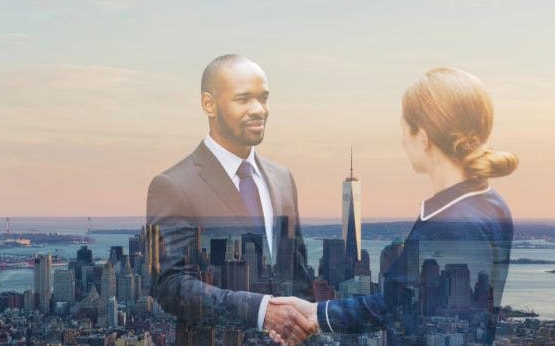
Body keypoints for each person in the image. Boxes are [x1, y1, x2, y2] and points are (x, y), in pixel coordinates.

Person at [270, 67, 518, 345]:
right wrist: (317, 314)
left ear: (424, 137)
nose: (402, 141)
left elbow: (420, 315)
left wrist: (315, 315)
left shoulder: (453, 220)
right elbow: (395, 302)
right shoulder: (489, 202)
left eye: (405, 129)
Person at [146, 54, 315, 344]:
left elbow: (297, 275)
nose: (259, 110)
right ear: (208, 104)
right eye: (243, 99)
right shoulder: (172, 185)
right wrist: (260, 311)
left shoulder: (283, 178)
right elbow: (169, 287)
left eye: (264, 98)